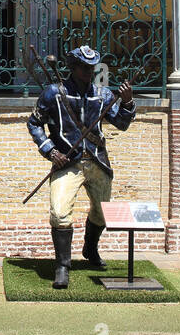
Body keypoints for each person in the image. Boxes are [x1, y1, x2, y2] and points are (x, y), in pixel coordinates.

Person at [27, 46, 136, 288]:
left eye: (92, 68)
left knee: (101, 212)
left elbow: (121, 123)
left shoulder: (104, 95)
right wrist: (51, 151)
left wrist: (127, 102)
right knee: (59, 211)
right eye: (84, 68)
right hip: (68, 162)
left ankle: (90, 248)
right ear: (73, 68)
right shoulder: (53, 94)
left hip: (98, 160)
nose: (89, 72)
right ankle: (63, 266)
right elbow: (34, 123)